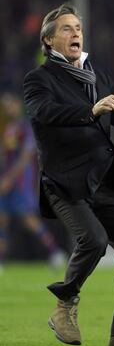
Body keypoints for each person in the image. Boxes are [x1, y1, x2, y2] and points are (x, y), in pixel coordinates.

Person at [23, 3, 114, 346]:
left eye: (78, 28)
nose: (76, 34)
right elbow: (45, 113)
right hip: (64, 181)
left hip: (100, 180)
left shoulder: (95, 74)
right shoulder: (39, 79)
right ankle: (65, 303)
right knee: (95, 240)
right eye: (67, 29)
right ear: (49, 39)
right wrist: (90, 110)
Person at [0, 92, 65, 269]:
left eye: (11, 104)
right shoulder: (6, 128)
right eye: (5, 106)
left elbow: (25, 157)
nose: (8, 108)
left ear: (18, 105)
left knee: (28, 219)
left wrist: (8, 179)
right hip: (5, 181)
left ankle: (54, 252)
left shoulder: (25, 127)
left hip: (20, 182)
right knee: (2, 219)